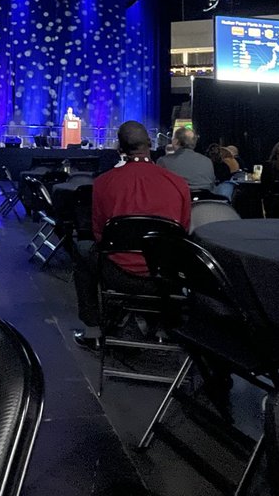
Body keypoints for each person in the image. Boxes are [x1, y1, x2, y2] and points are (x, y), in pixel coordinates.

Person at [72, 121, 191, 349]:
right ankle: (164, 328)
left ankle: (93, 330)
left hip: (116, 274)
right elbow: (182, 234)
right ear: (151, 144)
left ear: (119, 148)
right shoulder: (178, 184)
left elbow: (99, 234)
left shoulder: (103, 182)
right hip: (164, 279)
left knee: (82, 250)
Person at [157, 127, 217, 192]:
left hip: (176, 197)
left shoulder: (163, 162)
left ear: (176, 141)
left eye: (173, 138)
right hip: (205, 198)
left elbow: (158, 186)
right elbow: (212, 185)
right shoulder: (207, 161)